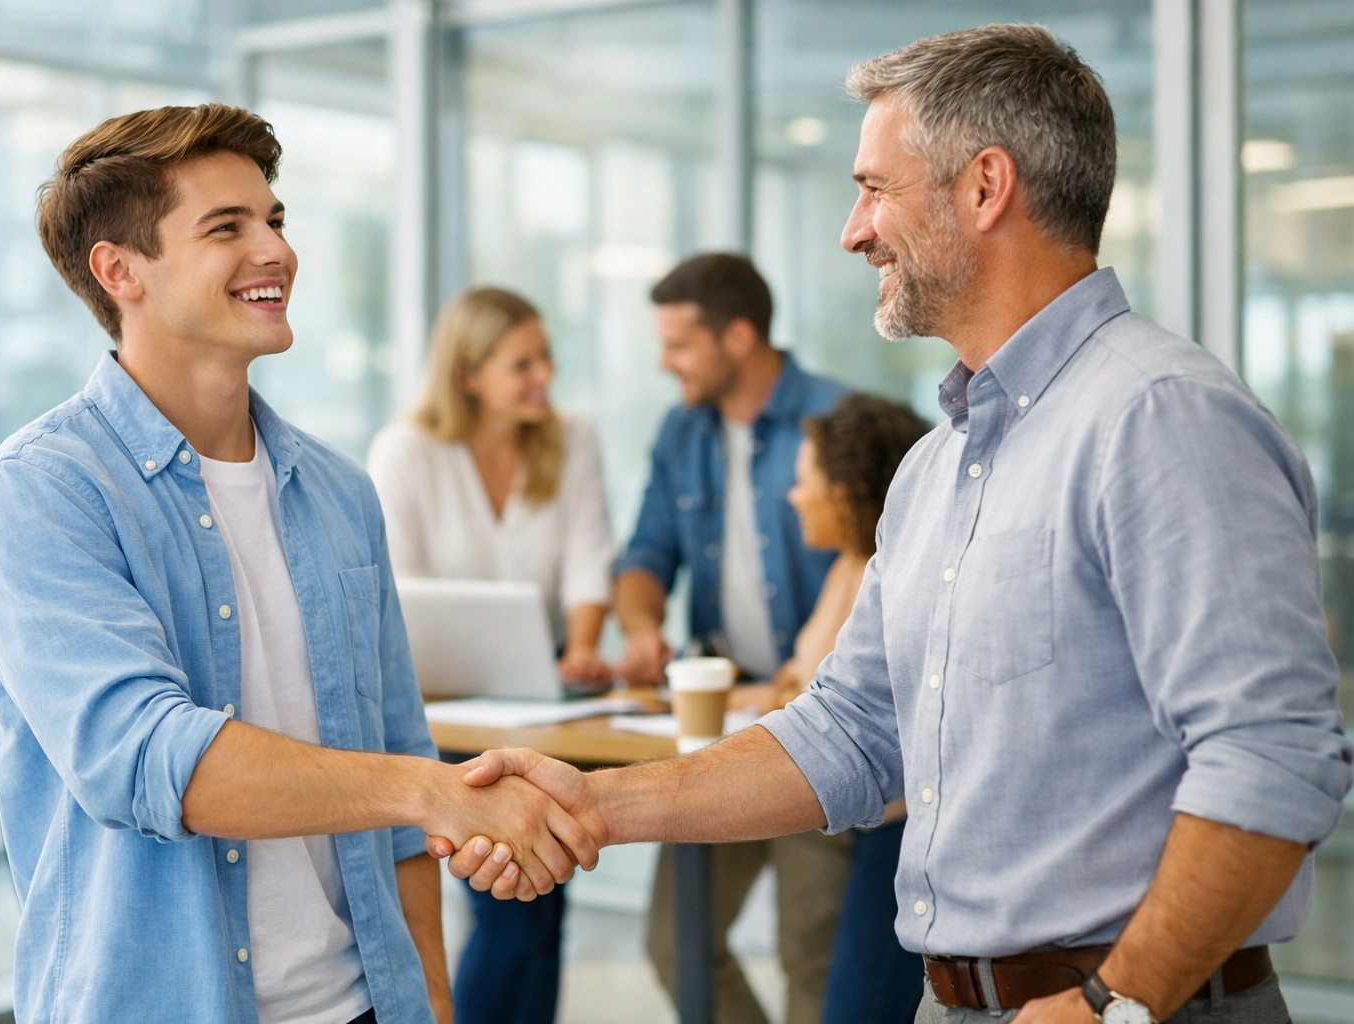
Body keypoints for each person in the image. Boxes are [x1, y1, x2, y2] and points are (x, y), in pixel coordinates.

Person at [437, 25, 1354, 1024]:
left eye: (874, 186)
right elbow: (851, 733)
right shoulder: (935, 465)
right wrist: (595, 803)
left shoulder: (1159, 416)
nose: (852, 229)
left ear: (984, 187)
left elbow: (1274, 754)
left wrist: (1116, 1003)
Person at [0, 104, 596, 1024]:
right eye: (228, 227)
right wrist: (433, 792)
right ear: (119, 270)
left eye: (276, 220)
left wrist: (433, 1004)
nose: (277, 251)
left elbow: (402, 776)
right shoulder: (38, 492)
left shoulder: (338, 493)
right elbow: (148, 759)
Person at [365, 286, 616, 1024]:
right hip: (440, 719)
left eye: (545, 358)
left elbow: (589, 563)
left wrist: (587, 644)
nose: (543, 375)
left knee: (541, 906)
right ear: (469, 374)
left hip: (544, 717)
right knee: (511, 910)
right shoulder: (407, 451)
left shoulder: (571, 439)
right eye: (522, 363)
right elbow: (392, 592)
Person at [614, 253, 852, 1024]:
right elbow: (645, 554)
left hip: (826, 719)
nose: (664, 363)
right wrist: (643, 623)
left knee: (810, 957)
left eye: (680, 345)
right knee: (675, 943)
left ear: (739, 337)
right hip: (725, 723)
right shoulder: (682, 433)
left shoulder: (837, 422)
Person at [776, 393, 930, 1024]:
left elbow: (845, 711)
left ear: (845, 490)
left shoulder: (882, 572)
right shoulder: (846, 569)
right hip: (861, 824)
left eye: (803, 480)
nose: (792, 496)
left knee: (851, 1000)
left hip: (886, 831)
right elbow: (801, 682)